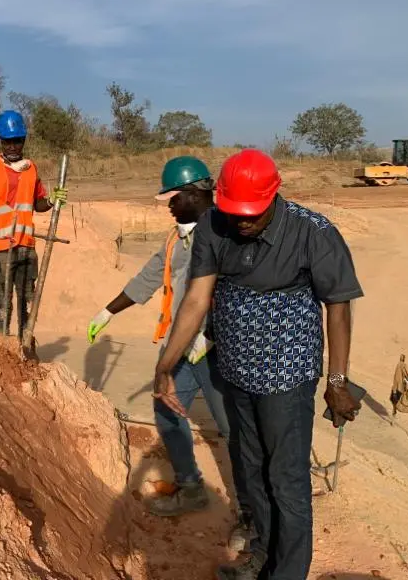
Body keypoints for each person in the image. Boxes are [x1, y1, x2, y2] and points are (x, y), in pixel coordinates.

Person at [153, 149, 364, 580]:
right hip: (236, 372)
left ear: (274, 197)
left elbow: (338, 310)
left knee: (286, 478)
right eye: (236, 213)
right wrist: (166, 364)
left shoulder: (313, 233)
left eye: (253, 214)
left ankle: (288, 572)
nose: (243, 222)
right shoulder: (215, 225)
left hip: (287, 374)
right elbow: (197, 298)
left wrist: (337, 380)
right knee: (250, 470)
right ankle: (261, 558)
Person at [86, 156, 254, 551]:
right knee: (166, 411)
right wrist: (107, 311)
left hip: (217, 352)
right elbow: (146, 279)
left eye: (174, 197)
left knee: (234, 431)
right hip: (181, 350)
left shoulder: (229, 236)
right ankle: (191, 486)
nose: (168, 205)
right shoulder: (175, 239)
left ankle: (251, 514)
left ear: (196, 193)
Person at [0, 110, 67, 337]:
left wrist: (52, 200)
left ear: (24, 140)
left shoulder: (30, 169)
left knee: (27, 299)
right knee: (3, 301)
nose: (13, 146)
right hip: (1, 249)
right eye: (8, 141)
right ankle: (1, 345)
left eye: (18, 141)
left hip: (26, 246)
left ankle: (25, 343)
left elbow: (37, 204)